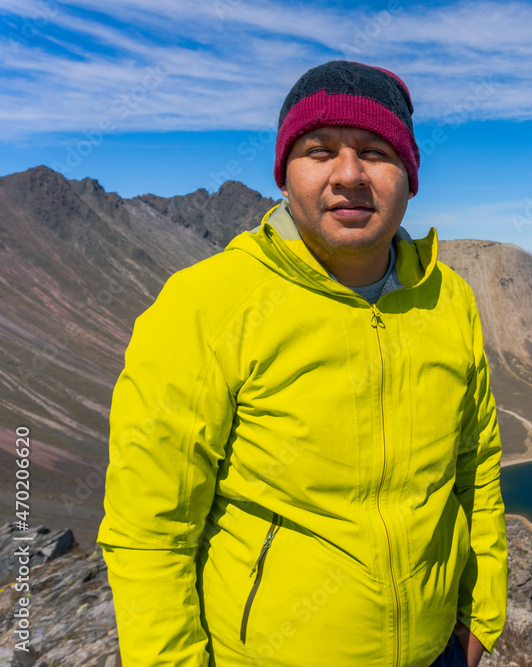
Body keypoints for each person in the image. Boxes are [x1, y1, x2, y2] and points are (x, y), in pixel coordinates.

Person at [96, 60, 508, 667]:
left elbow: (477, 467)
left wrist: (482, 610)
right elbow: (149, 530)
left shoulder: (448, 298)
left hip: (436, 653)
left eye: (375, 151)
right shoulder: (205, 305)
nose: (349, 175)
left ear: (410, 177)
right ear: (284, 177)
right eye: (320, 150)